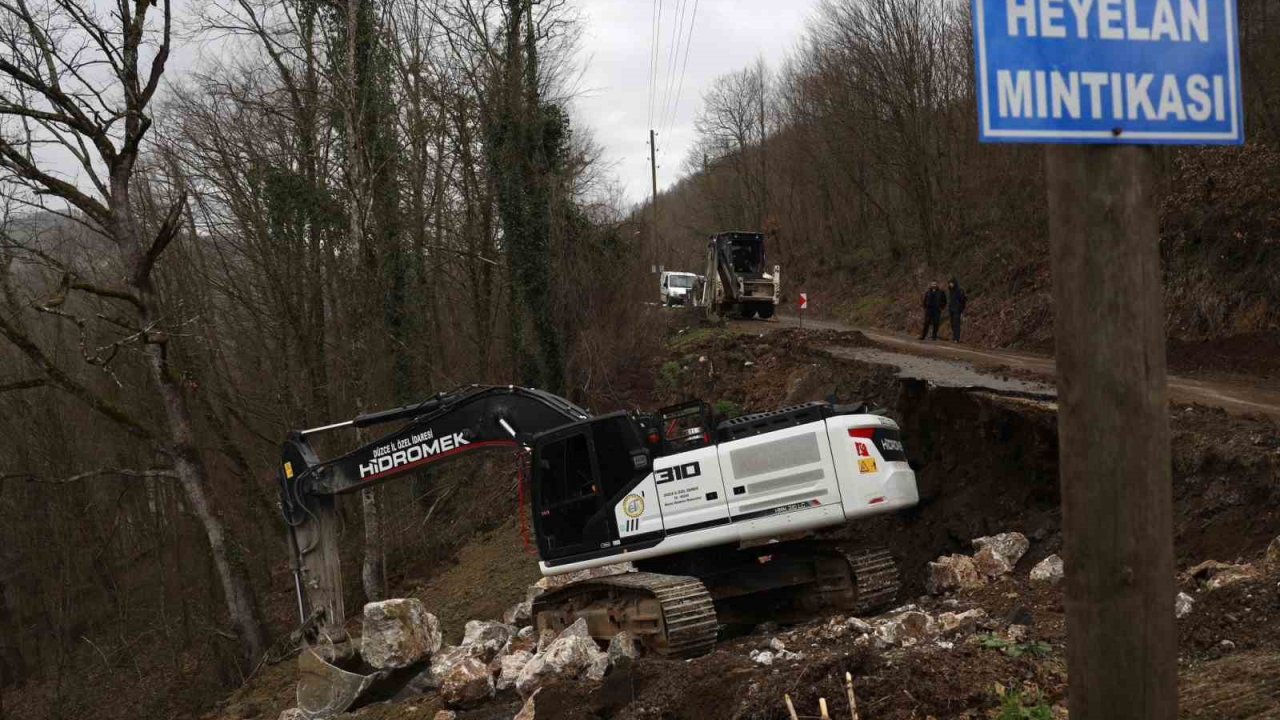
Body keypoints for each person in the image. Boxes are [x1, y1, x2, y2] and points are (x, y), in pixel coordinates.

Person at [947, 278, 967, 342]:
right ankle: (954, 337)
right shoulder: (950, 290)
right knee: (952, 324)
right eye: (949, 283)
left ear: (954, 283)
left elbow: (963, 300)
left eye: (951, 283)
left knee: (956, 324)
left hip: (957, 309)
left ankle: (957, 338)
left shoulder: (959, 290)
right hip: (951, 309)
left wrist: (960, 308)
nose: (950, 284)